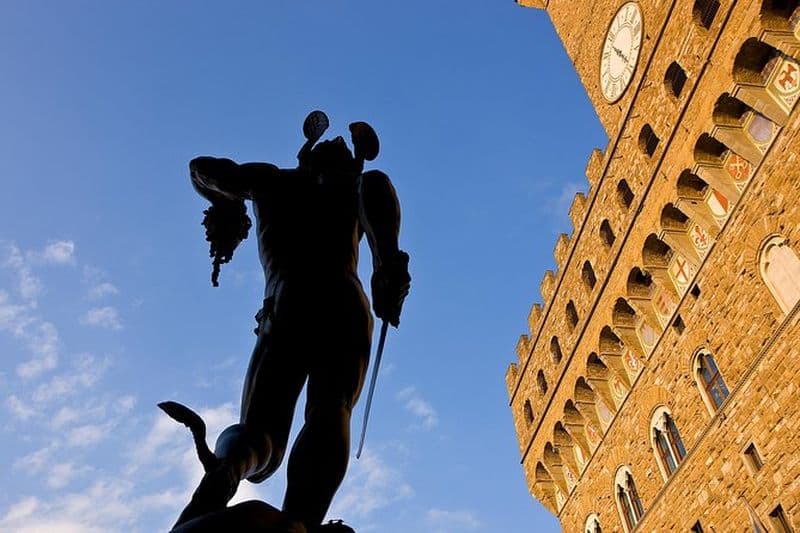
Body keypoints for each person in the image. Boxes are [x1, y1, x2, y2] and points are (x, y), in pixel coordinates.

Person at [175, 112, 410, 532]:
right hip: (343, 302)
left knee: (262, 431)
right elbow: (377, 193)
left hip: (289, 301)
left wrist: (229, 204)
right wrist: (386, 262)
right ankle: (300, 524)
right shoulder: (350, 184)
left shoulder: (271, 182)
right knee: (330, 410)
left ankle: (229, 470)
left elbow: (202, 170)